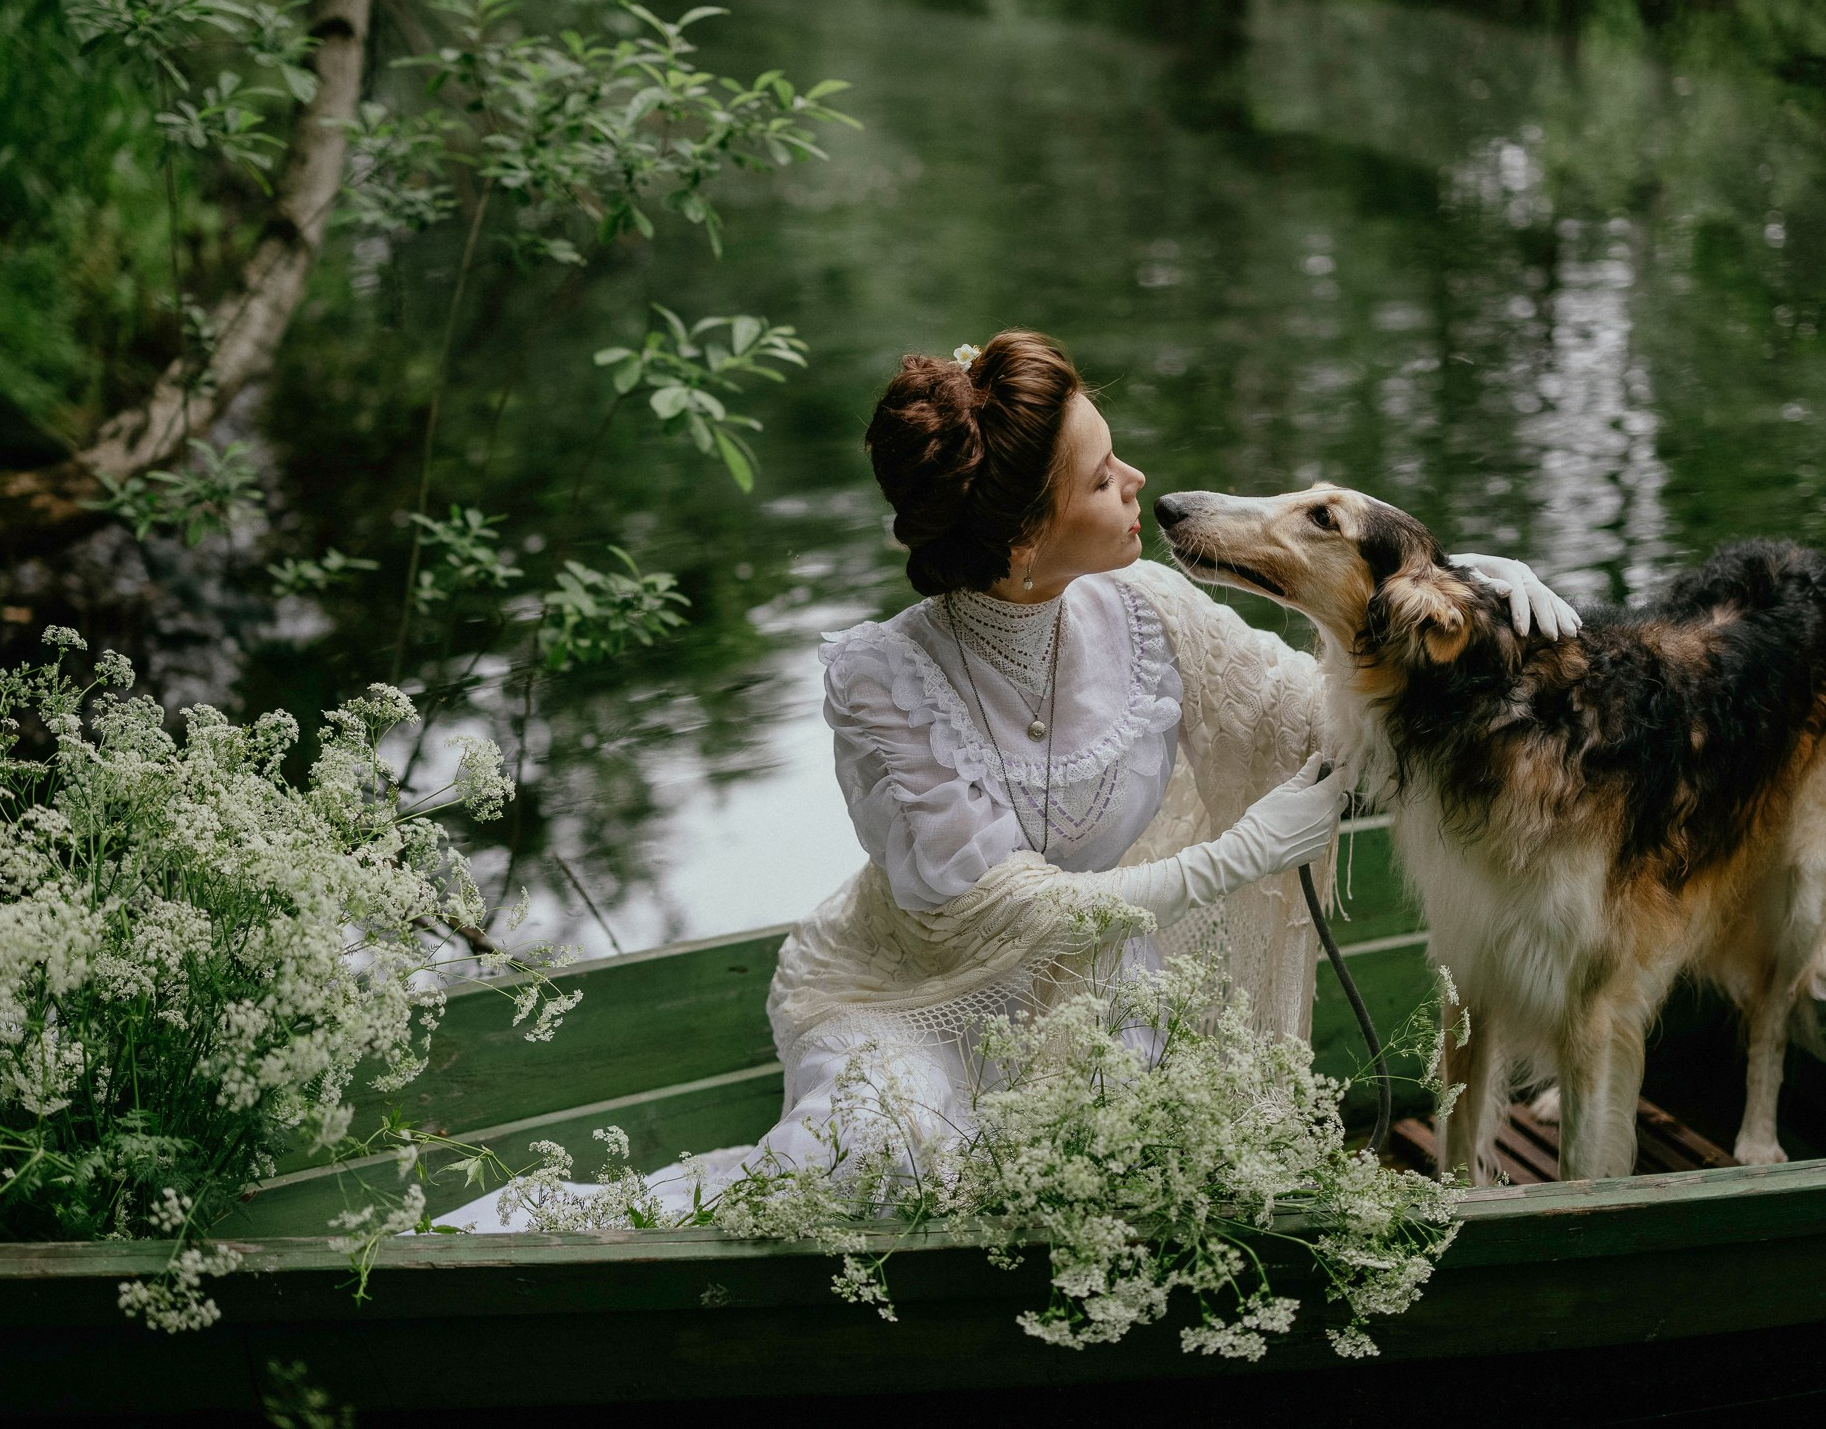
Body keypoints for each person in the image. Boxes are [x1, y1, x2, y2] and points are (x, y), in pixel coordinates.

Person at [439, 329, 1576, 1229]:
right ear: (1026, 540)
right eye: (1099, 478)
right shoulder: (884, 684)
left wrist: (1461, 595)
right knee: (877, 1169)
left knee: (1158, 1170)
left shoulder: (1152, 611)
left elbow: (1323, 721)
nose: (1137, 481)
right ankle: (551, 1235)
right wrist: (1233, 857)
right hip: (914, 997)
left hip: (1098, 1001)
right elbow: (994, 909)